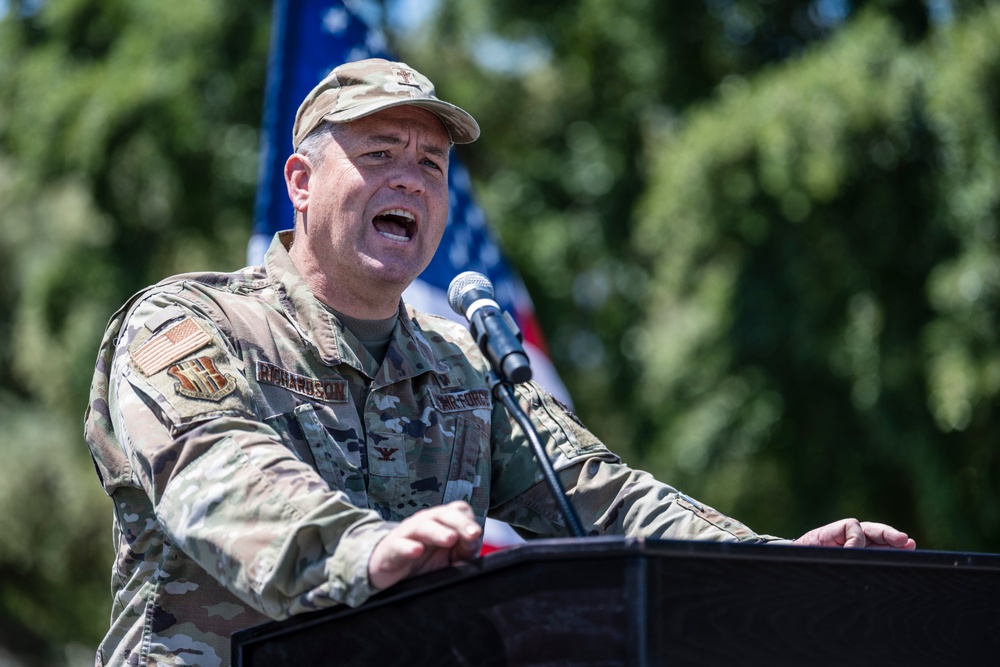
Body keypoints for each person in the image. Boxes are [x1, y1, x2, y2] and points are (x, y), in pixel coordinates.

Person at [84, 58, 915, 667]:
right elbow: (218, 468)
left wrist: (776, 569)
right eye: (379, 155)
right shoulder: (190, 323)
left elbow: (601, 497)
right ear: (300, 181)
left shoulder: (463, 366)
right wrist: (364, 550)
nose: (410, 180)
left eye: (431, 165)